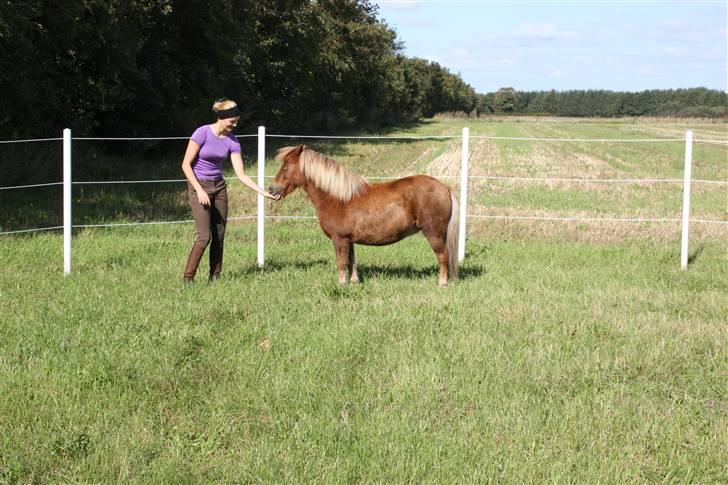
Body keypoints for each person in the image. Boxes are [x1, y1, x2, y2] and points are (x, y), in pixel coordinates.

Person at [181, 98, 279, 283]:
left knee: (219, 234)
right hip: (198, 185)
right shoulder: (202, 133)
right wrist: (199, 191)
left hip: (219, 187)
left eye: (236, 120)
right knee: (204, 236)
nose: (235, 124)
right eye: (232, 120)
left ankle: (215, 277)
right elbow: (186, 165)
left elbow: (241, 174)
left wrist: (263, 192)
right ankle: (188, 278)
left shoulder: (232, 142)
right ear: (221, 118)